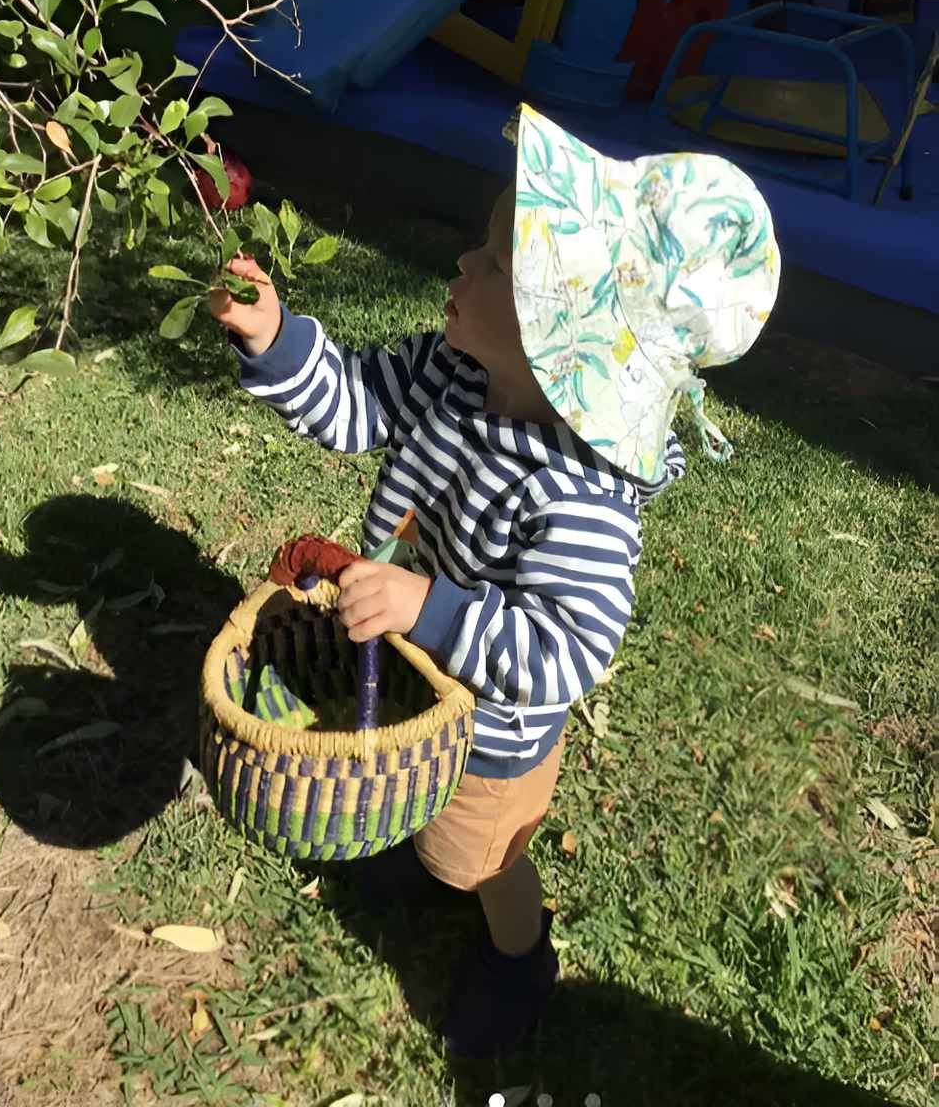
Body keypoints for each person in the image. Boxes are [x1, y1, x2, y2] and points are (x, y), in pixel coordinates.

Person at [207, 103, 780, 1058]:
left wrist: (430, 608)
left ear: (559, 337)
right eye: (479, 247)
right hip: (409, 673)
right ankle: (403, 841)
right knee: (394, 774)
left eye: (493, 266)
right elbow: (354, 405)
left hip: (490, 733)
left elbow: (566, 651)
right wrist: (274, 339)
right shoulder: (453, 367)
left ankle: (520, 956)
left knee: (477, 855)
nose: (463, 269)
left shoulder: (582, 490)